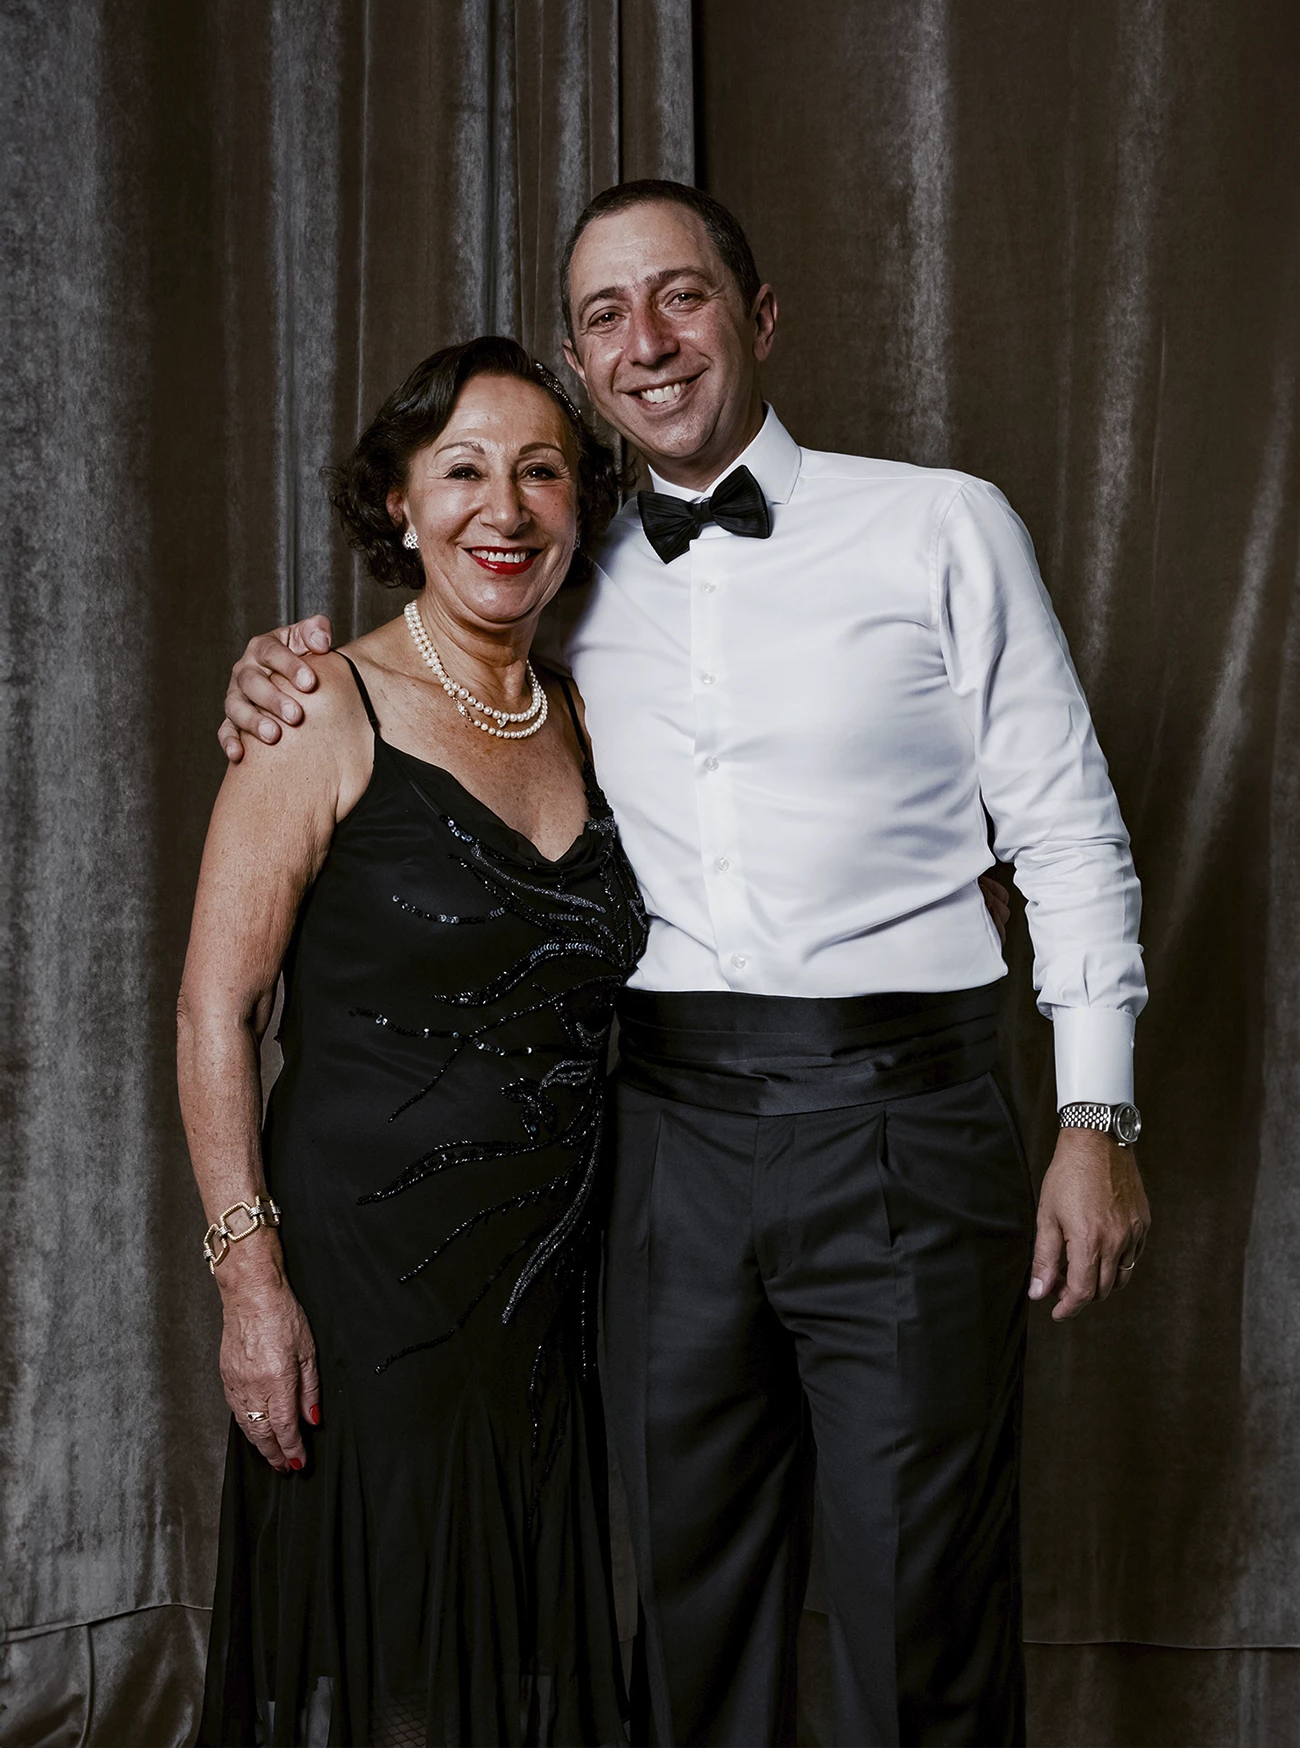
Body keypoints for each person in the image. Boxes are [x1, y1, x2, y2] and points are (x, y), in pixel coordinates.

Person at [220, 181, 1151, 1748]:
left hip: (907, 1120)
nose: (646, 343)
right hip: (662, 1144)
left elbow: (1066, 831)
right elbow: (430, 664)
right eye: (603, 315)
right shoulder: (557, 579)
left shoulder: (941, 524)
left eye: (682, 297)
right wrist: (273, 677)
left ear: (759, 315)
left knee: (915, 1601)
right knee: (687, 1596)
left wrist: (1097, 1115)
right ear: (584, 369)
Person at [177, 335, 648, 1747]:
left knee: (518, 1661)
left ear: (578, 508)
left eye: (540, 472)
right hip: (370, 1278)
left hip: (559, 1284)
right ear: (399, 502)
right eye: (462, 471)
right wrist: (249, 1286)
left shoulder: (597, 716)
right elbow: (215, 1011)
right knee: (398, 1669)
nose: (501, 508)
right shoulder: (319, 705)